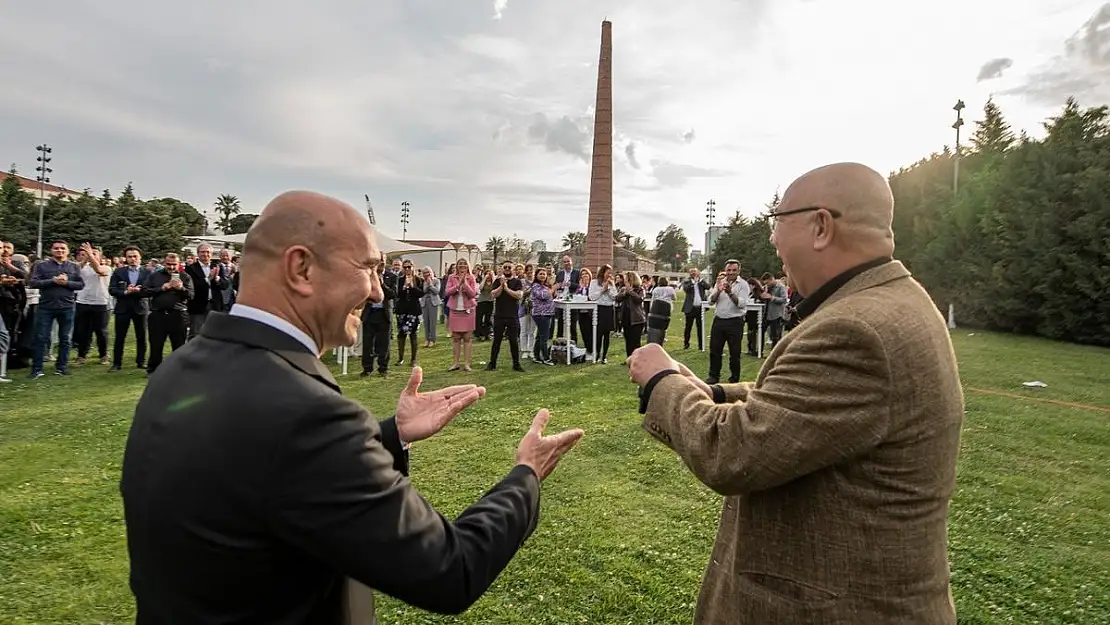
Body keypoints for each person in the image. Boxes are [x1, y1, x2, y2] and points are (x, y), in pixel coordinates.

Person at [120, 190, 584, 625]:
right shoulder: (306, 413)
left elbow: (260, 467)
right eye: (368, 268)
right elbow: (449, 568)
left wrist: (391, 434)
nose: (379, 291)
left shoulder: (184, 367)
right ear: (301, 268)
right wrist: (526, 475)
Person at [628, 162, 963, 624]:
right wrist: (711, 392)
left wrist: (662, 381)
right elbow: (799, 400)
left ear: (821, 226)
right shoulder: (888, 302)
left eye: (778, 222)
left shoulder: (855, 329)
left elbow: (734, 451)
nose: (772, 240)